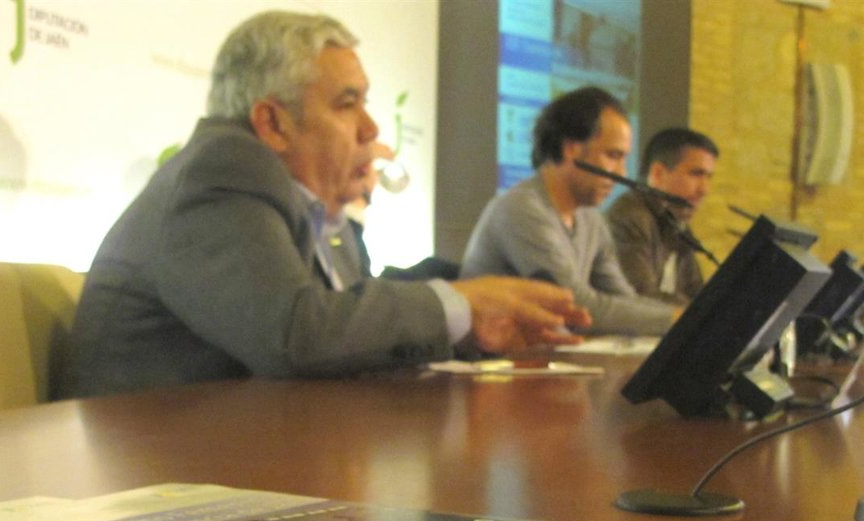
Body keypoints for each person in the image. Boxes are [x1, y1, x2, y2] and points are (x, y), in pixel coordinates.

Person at [57, 11, 588, 399]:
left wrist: (469, 329)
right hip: (146, 481)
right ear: (272, 123)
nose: (371, 127)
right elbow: (296, 334)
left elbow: (344, 331)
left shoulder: (301, 204)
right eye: (347, 102)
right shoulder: (222, 170)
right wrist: (456, 302)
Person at [459, 86, 676, 336]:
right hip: (493, 367)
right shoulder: (521, 209)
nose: (621, 173)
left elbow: (623, 299)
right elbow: (574, 307)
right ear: (571, 148)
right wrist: (676, 321)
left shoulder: (590, 218)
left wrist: (682, 320)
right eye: (613, 155)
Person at [606, 127, 718, 305]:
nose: (704, 190)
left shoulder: (676, 221)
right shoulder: (629, 218)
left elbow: (696, 292)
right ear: (658, 174)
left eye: (709, 177)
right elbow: (639, 298)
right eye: (696, 174)